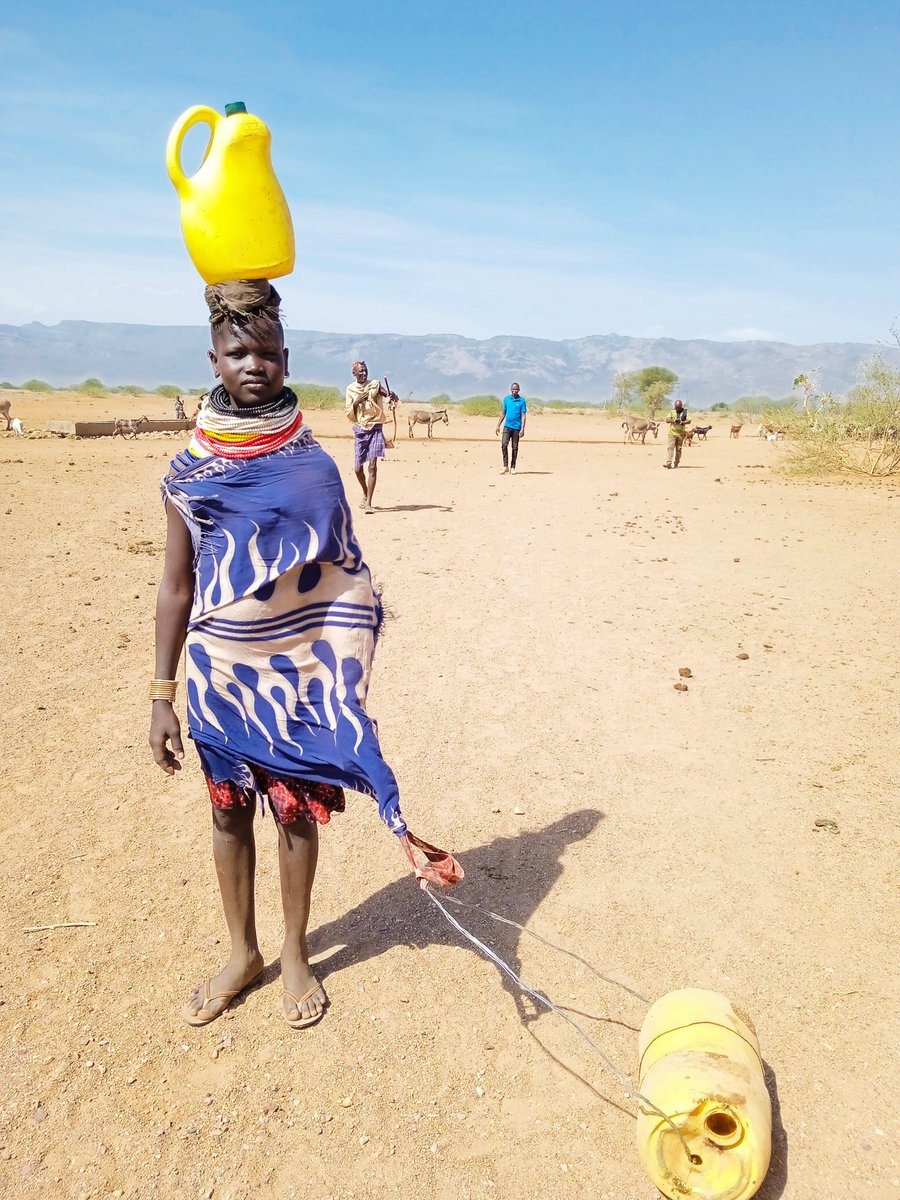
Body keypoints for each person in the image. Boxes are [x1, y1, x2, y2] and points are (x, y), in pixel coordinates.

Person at [149, 281, 454, 1031]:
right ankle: (241, 950)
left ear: (287, 360)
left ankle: (292, 951)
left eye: (268, 353)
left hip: (291, 676)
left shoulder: (313, 464)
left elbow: (341, 564)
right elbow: (176, 583)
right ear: (212, 358)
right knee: (227, 817)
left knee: (292, 815)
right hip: (219, 674)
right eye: (237, 351)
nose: (253, 365)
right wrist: (162, 693)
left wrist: (339, 661)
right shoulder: (191, 469)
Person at [345, 361, 391, 513]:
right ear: (354, 374)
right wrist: (357, 402)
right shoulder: (351, 389)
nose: (364, 374)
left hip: (376, 427)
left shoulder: (375, 385)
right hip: (360, 428)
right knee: (358, 468)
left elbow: (388, 395)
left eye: (366, 371)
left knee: (372, 466)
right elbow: (348, 413)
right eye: (361, 372)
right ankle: (365, 491)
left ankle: (369, 503)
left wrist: (392, 397)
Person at [495, 382, 527, 474]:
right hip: (507, 426)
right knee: (504, 444)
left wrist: (523, 428)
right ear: (510, 389)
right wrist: (498, 425)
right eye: (513, 389)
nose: (514, 390)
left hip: (517, 428)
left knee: (515, 447)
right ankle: (505, 466)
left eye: (516, 389)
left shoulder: (522, 401)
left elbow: (523, 415)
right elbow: (503, 413)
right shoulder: (506, 399)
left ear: (519, 390)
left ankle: (513, 467)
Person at [663, 398, 691, 468]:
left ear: (681, 406)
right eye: (676, 408)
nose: (677, 409)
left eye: (678, 408)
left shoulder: (685, 412)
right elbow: (667, 420)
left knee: (678, 449)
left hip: (681, 434)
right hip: (672, 433)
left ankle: (676, 463)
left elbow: (689, 421)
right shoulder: (672, 411)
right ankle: (668, 463)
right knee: (670, 447)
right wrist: (673, 420)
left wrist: (682, 422)